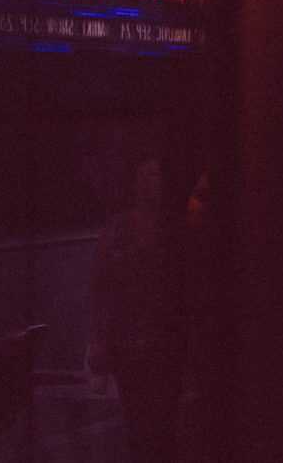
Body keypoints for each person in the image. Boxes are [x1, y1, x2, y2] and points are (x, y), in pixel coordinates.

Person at [91, 154, 185, 463]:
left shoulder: (175, 228)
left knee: (165, 420)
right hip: (128, 342)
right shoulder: (117, 230)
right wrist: (99, 341)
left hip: (166, 340)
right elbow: (101, 288)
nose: (152, 183)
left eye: (157, 176)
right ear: (135, 183)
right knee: (137, 420)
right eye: (146, 176)